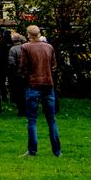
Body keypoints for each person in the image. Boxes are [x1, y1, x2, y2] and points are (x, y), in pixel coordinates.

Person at [19, 25, 61, 157]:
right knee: (51, 119)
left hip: (33, 84)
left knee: (32, 119)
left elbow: (23, 67)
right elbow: (54, 66)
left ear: (28, 35)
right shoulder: (49, 47)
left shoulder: (26, 47)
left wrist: (27, 77)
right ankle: (57, 151)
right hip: (48, 84)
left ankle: (32, 150)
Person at [7, 32, 27, 116]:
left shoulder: (13, 49)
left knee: (19, 92)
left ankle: (21, 110)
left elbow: (11, 62)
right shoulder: (26, 47)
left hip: (17, 73)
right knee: (26, 91)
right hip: (26, 73)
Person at [0, 30, 12, 110]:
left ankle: (4, 96)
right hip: (11, 65)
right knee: (12, 82)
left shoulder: (1, 43)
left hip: (2, 65)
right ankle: (12, 97)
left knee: (1, 82)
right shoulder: (12, 42)